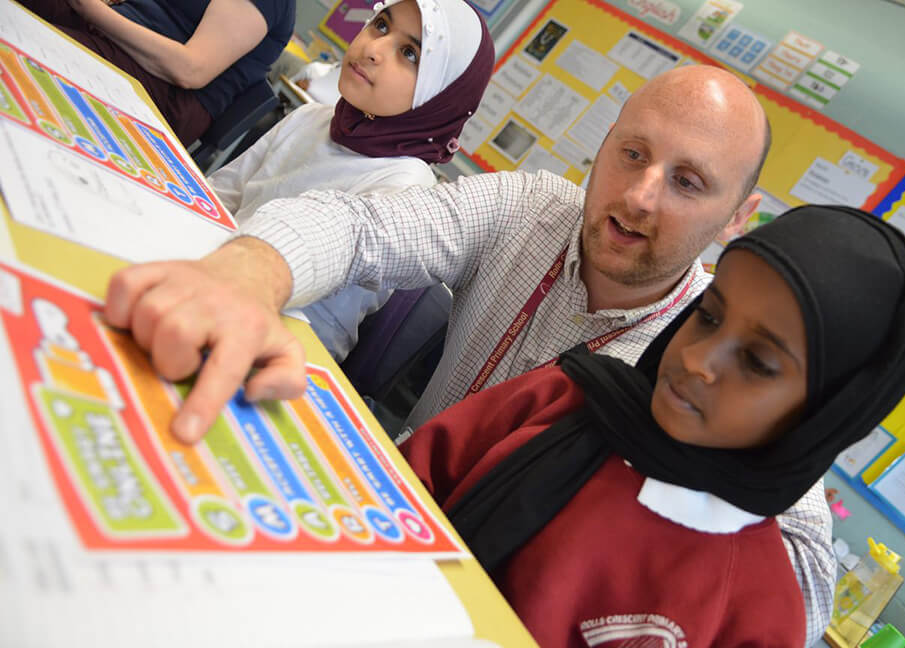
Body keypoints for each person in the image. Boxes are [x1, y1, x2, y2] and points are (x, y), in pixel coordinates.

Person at [103, 65, 834, 642]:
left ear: (737, 217)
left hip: (498, 609)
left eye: (688, 182)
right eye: (632, 153)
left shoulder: (712, 351)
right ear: (604, 144)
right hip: (378, 512)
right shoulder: (530, 209)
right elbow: (363, 227)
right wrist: (248, 274)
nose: (640, 196)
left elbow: (806, 584)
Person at [402, 205, 905, 647]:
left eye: (757, 362)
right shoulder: (563, 398)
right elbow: (399, 489)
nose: (699, 360)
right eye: (707, 315)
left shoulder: (760, 607)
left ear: (826, 415)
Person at [206, 0, 493, 361]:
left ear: (441, 97)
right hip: (209, 269)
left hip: (276, 342)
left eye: (410, 54)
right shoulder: (312, 118)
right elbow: (217, 196)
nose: (373, 50)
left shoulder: (406, 184)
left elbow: (321, 322)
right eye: (381, 26)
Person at [19, 0, 296, 144]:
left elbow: (190, 69)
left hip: (164, 91)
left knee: (23, 44)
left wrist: (90, 10)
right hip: (126, 41)